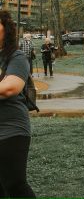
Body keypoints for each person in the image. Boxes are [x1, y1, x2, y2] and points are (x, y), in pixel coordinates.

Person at [0, 11, 36, 197]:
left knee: (14, 184)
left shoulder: (16, 56)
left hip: (11, 129)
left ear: (6, 29)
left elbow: (10, 88)